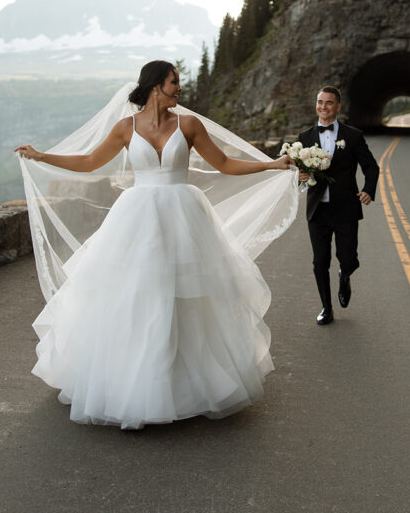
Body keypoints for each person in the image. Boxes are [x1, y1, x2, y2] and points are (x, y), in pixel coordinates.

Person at [15, 60, 295, 429]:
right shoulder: (125, 128)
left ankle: (188, 385)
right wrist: (41, 155)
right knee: (137, 296)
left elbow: (225, 164)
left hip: (184, 217)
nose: (180, 89)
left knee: (188, 297)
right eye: (174, 82)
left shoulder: (189, 125)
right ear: (154, 87)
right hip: (137, 219)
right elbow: (88, 162)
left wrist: (272, 166)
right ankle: (136, 385)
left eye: (178, 82)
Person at [297, 85, 379, 325]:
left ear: (338, 106)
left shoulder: (353, 136)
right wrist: (299, 177)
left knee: (348, 258)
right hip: (317, 210)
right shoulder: (304, 137)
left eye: (329, 103)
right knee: (319, 261)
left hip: (345, 208)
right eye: (320, 102)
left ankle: (346, 275)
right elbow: (298, 172)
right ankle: (326, 307)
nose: (323, 107)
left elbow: (371, 167)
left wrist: (368, 190)